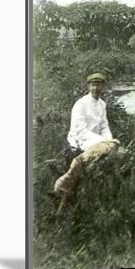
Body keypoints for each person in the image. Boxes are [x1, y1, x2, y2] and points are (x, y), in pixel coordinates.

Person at [53, 73, 120, 212]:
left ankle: (107, 192)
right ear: (88, 86)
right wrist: (104, 142)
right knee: (108, 148)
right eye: (93, 85)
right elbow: (80, 131)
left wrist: (108, 140)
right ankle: (63, 184)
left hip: (96, 141)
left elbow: (104, 126)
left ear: (103, 86)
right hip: (79, 140)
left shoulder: (102, 104)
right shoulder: (81, 104)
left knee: (115, 146)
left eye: (99, 84)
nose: (96, 88)